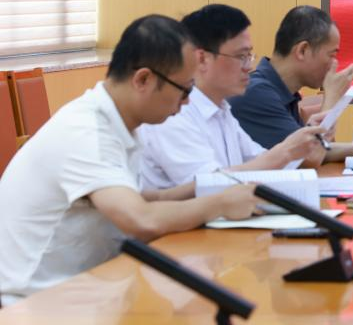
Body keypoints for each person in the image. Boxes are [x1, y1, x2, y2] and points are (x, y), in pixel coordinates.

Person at [0, 15, 259, 305]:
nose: (187, 101)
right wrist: (219, 204)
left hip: (90, 288)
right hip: (35, 304)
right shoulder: (87, 132)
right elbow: (140, 219)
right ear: (143, 79)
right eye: (185, 90)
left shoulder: (120, 121)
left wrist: (212, 187)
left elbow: (143, 199)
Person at [137, 4, 327, 190]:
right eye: (240, 56)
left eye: (249, 55)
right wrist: (286, 150)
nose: (248, 66)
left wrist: (302, 142)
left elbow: (258, 160)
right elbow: (206, 185)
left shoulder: (221, 109)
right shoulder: (172, 114)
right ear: (202, 59)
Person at [229, 5, 353, 161]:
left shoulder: (283, 93)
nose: (334, 64)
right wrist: (331, 98)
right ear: (303, 50)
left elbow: (319, 149)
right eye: (331, 55)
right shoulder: (257, 92)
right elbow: (311, 157)